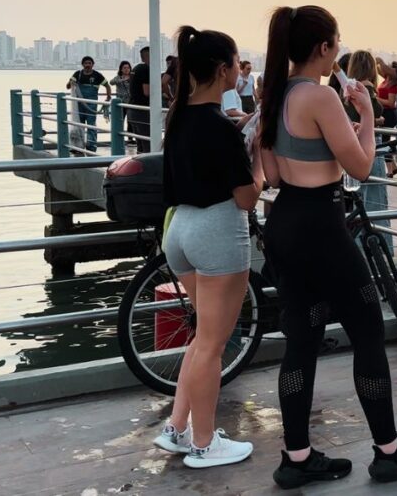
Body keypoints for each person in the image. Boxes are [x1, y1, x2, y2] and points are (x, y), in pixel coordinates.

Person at [258, 5, 397, 488]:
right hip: (322, 224)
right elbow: (360, 167)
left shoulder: (273, 91)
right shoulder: (320, 98)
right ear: (323, 48)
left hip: (285, 223)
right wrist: (365, 113)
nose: (337, 50)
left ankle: (296, 456)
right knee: (366, 333)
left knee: (302, 340)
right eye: (335, 42)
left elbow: (272, 174)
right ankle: (389, 449)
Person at [154, 26, 264, 468]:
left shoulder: (177, 116)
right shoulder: (220, 129)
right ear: (223, 71)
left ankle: (176, 429)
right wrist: (254, 156)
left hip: (179, 229)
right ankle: (205, 443)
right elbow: (247, 196)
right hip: (217, 231)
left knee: (202, 339)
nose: (240, 72)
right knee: (213, 346)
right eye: (237, 64)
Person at [344, 50, 392, 252]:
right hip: (371, 148)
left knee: (359, 205)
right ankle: (381, 252)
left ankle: (359, 250)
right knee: (376, 204)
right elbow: (374, 112)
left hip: (352, 148)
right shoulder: (366, 89)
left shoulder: (347, 88)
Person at [66, 56, 111, 152]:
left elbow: (107, 85)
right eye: (85, 63)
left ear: (92, 64)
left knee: (91, 125)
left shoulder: (97, 75)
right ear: (82, 65)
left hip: (92, 104)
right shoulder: (78, 74)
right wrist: (71, 82)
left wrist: (108, 97)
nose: (87, 65)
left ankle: (91, 146)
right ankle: (78, 146)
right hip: (79, 105)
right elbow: (67, 86)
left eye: (89, 63)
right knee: (79, 125)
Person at [376, 58, 397, 177]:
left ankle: (390, 170)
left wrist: (375, 99)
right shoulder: (386, 79)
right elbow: (379, 70)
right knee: (386, 140)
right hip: (385, 113)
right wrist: (378, 62)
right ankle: (394, 167)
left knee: (385, 141)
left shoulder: (393, 85)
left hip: (390, 114)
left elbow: (391, 102)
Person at [129, 47, 152, 152]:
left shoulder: (135, 68)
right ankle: (150, 167)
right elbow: (147, 92)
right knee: (148, 143)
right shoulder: (146, 69)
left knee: (140, 143)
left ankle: (141, 166)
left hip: (132, 108)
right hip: (142, 110)